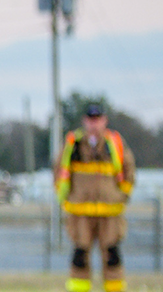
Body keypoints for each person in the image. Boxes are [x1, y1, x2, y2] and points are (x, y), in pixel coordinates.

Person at [57, 104, 135, 292]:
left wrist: (121, 197)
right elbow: (59, 173)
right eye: (91, 120)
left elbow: (129, 171)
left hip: (110, 212)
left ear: (104, 121)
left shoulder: (115, 143)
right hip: (80, 212)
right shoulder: (73, 144)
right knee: (80, 258)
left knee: (112, 257)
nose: (94, 124)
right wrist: (65, 200)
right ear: (85, 121)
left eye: (98, 119)